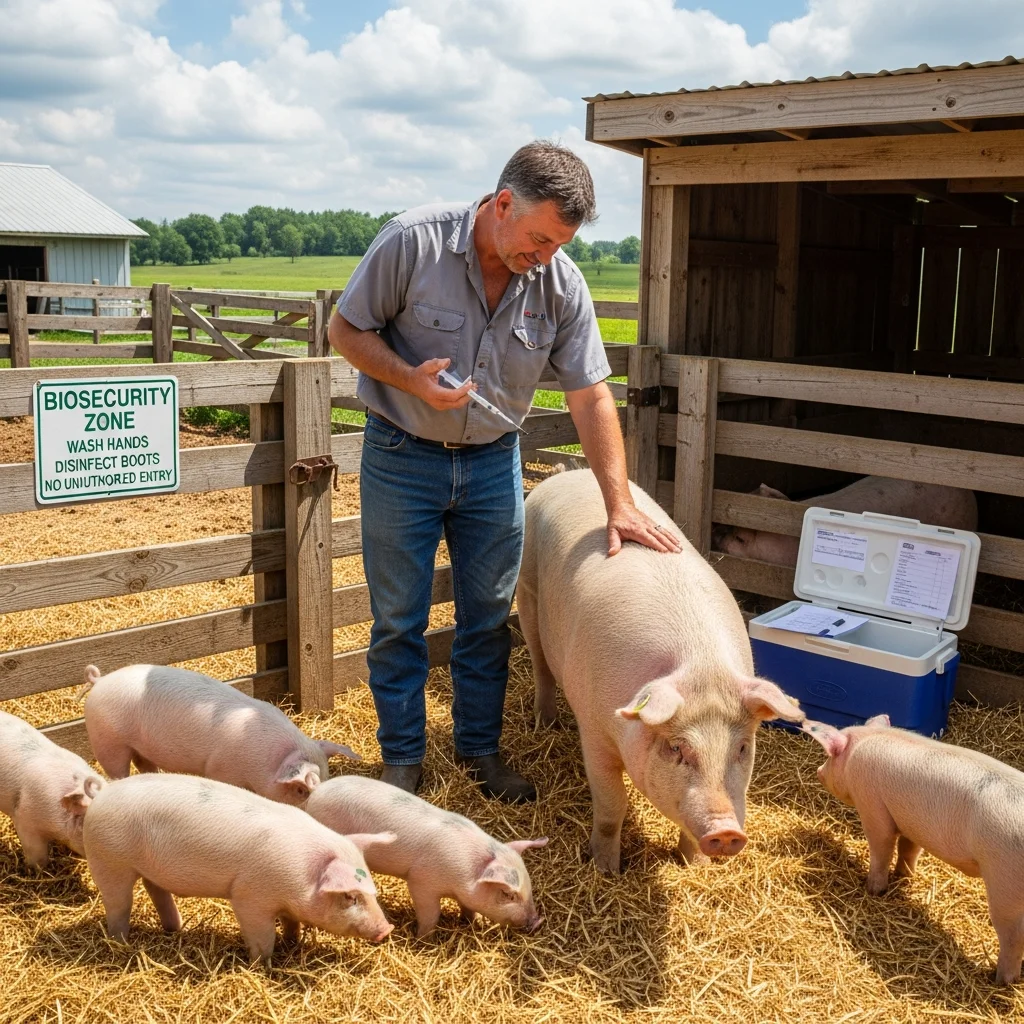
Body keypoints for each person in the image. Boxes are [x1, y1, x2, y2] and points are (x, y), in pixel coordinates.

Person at [328, 140, 681, 803]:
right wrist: (409, 378)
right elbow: (344, 332)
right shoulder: (412, 242)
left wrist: (619, 503)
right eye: (539, 238)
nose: (544, 257)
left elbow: (590, 395)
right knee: (398, 620)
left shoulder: (560, 282)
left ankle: (480, 751)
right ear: (501, 204)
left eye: (558, 245)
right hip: (402, 454)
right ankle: (402, 760)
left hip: (493, 463)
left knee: (488, 621)